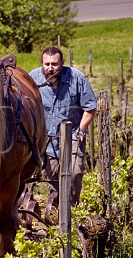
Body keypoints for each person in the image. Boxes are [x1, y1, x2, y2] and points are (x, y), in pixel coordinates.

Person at [29, 47, 97, 206]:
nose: (50, 68)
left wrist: (81, 128)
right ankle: (58, 209)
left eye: (54, 64)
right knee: (53, 176)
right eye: (47, 64)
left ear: (62, 64)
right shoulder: (33, 78)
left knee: (74, 173)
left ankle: (72, 210)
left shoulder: (76, 78)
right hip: (46, 137)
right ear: (42, 64)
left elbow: (91, 107)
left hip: (72, 135)